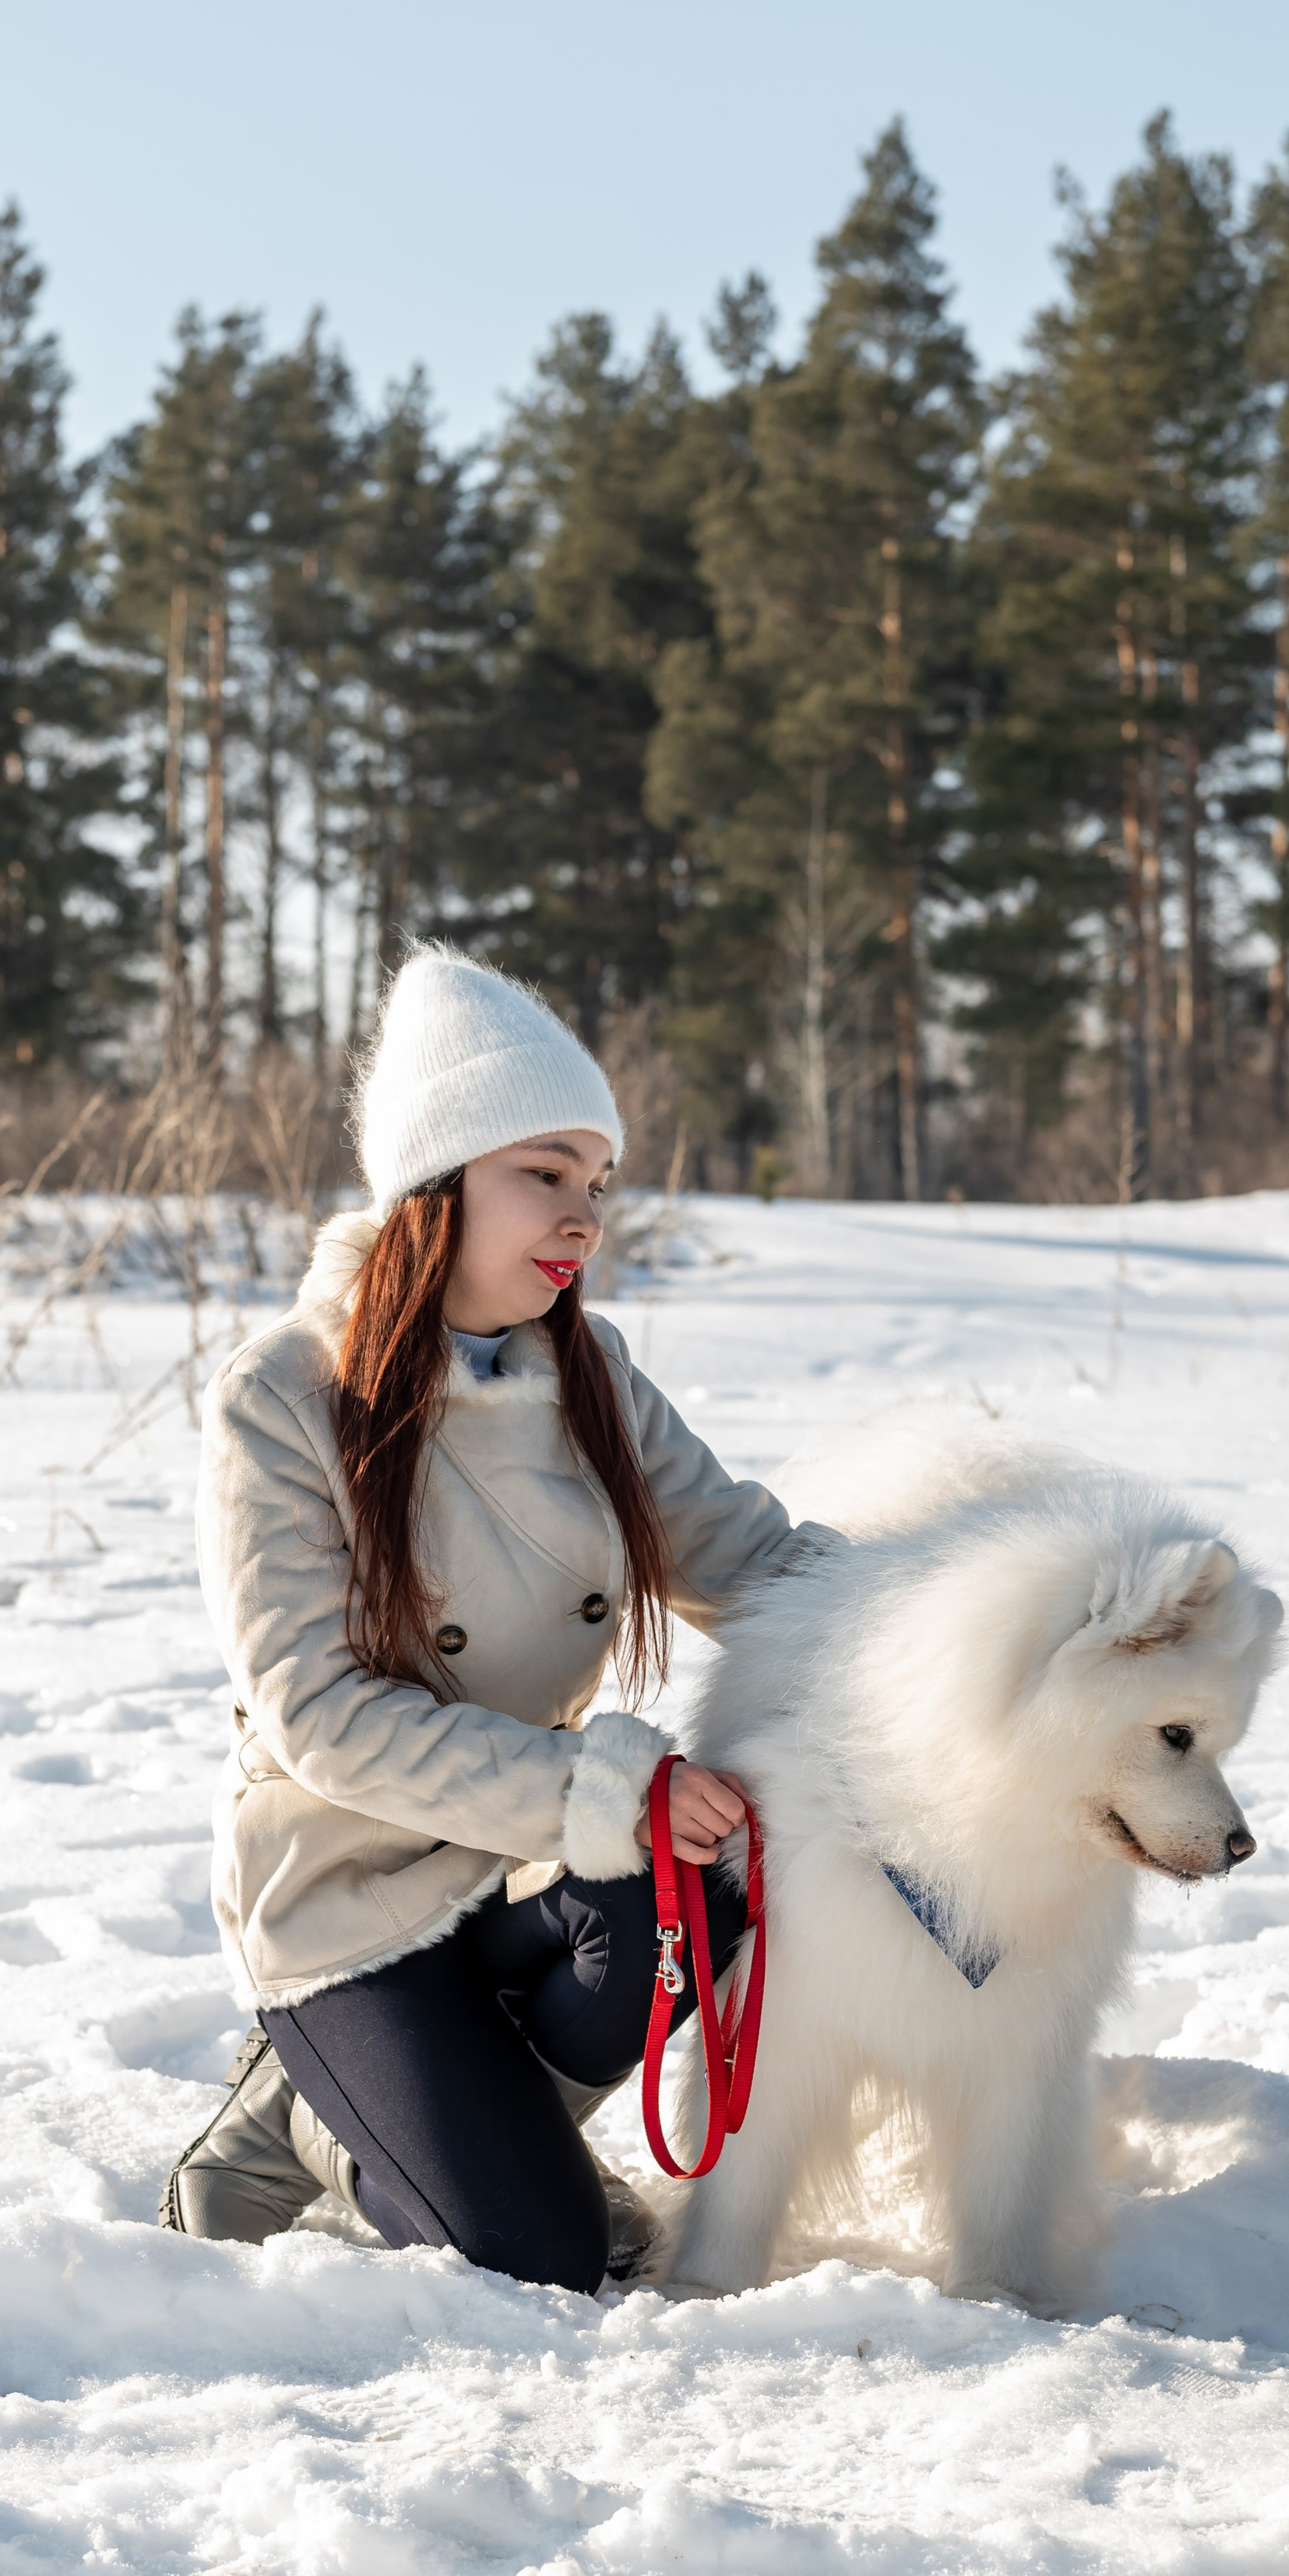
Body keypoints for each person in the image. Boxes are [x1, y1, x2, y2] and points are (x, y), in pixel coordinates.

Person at [159, 948, 826, 2292]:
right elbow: (320, 1716)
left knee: (717, 1876)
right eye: (545, 1175)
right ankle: (308, 2106)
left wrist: (972, 1617)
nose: (585, 1215)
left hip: (518, 1863)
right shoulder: (282, 1398)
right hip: (348, 1884)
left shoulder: (594, 1374)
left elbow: (754, 1562)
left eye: (598, 1182)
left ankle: (432, 2111)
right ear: (435, 1183)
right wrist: (603, 1790)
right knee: (540, 2258)